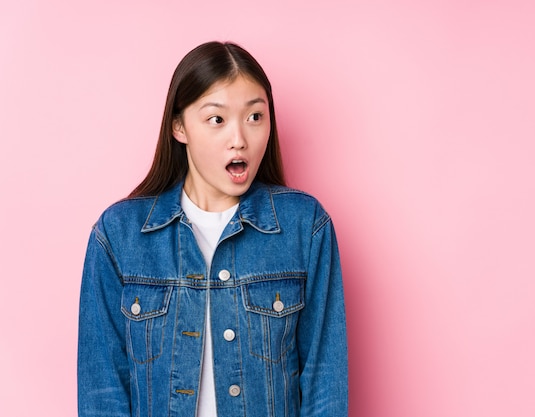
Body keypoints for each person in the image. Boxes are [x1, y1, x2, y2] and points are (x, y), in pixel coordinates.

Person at [77, 41, 348, 417]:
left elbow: (325, 385)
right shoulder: (119, 236)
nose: (239, 139)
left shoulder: (305, 228)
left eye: (255, 117)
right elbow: (102, 391)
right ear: (179, 126)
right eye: (217, 120)